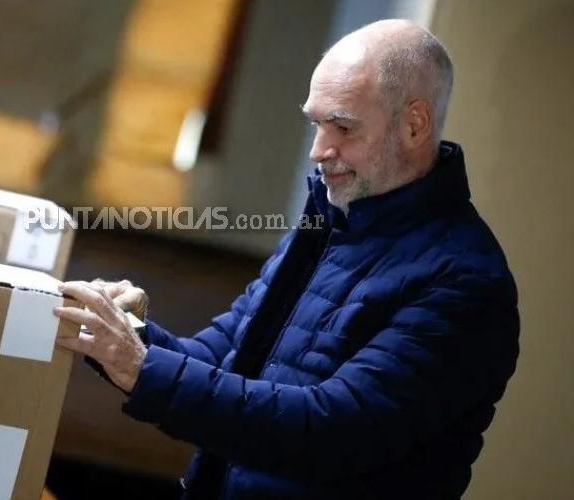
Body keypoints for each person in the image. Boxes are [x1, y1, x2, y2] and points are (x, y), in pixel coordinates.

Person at [53, 19, 520, 499]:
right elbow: (225, 359)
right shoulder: (329, 221)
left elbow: (326, 431)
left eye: (343, 126)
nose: (320, 150)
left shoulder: (466, 283)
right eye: (317, 123)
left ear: (415, 125)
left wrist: (141, 366)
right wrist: (125, 333)